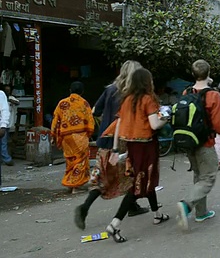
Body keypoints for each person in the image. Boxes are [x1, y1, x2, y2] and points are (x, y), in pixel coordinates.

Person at [75, 60, 148, 230]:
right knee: (134, 176)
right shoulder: (133, 94)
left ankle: (85, 207)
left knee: (102, 177)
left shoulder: (109, 90)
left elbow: (95, 111)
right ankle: (130, 208)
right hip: (123, 142)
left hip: (104, 141)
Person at [100, 68, 170, 243]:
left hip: (132, 146)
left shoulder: (127, 100)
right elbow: (154, 125)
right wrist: (166, 117)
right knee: (138, 184)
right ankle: (115, 223)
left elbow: (119, 124)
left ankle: (157, 214)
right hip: (147, 147)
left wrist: (116, 149)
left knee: (146, 179)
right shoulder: (149, 99)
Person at [176, 59, 220, 231]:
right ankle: (186, 205)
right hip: (206, 143)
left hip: (189, 142)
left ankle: (201, 212)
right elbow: (219, 124)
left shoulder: (186, 92)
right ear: (209, 73)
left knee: (198, 175)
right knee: (208, 177)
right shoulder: (213, 95)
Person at [51, 81, 94, 194]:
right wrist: (89, 133)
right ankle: (75, 186)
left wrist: (54, 135)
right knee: (80, 160)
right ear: (82, 91)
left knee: (70, 159)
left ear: (70, 90)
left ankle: (70, 184)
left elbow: (55, 120)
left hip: (66, 137)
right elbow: (90, 121)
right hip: (80, 136)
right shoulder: (84, 103)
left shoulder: (62, 103)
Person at [0, 85, 14, 166]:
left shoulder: (1, 94)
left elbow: (5, 111)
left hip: (1, 125)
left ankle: (6, 159)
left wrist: (3, 126)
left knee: (3, 143)